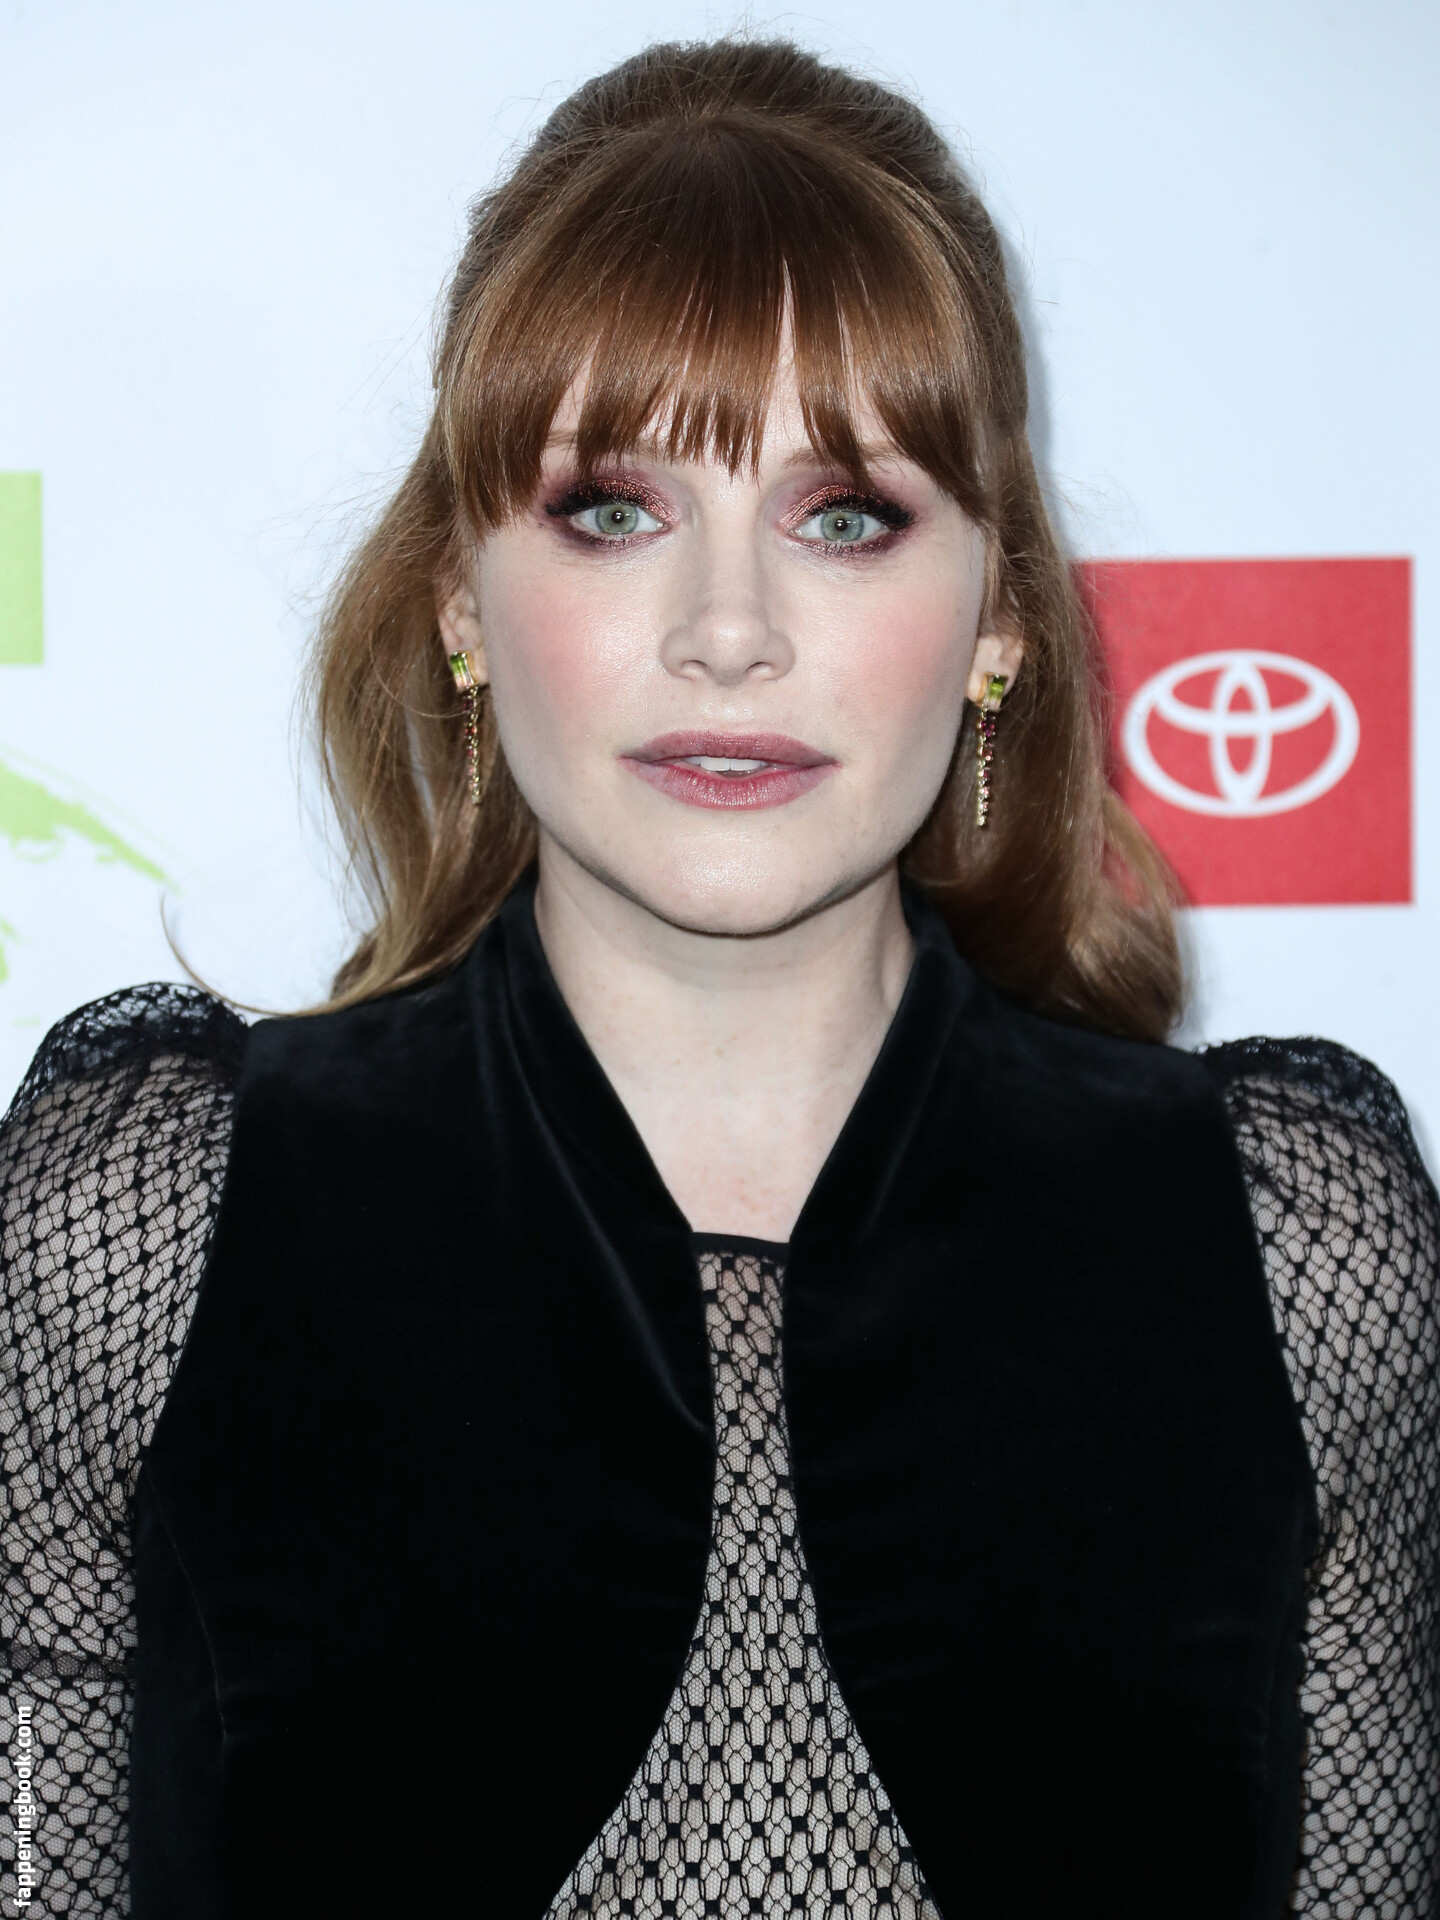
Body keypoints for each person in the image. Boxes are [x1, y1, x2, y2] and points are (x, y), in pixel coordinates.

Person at [1, 36, 1435, 1920]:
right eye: (615, 508)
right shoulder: (143, 1229)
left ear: (1000, 618)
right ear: (459, 599)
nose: (731, 632)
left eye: (846, 515)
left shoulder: (1295, 1255)